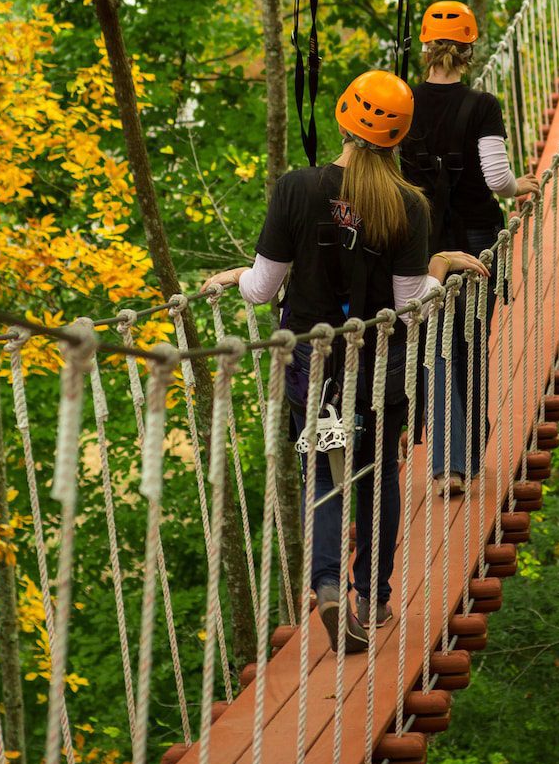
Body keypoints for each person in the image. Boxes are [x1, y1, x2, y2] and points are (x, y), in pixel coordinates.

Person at [203, 70, 486, 653]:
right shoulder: (410, 205)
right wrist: (438, 268)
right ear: (399, 139)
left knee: (323, 470)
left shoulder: (296, 188)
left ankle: (328, 584)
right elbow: (409, 313)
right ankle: (372, 596)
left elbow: (260, 290)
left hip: (312, 358)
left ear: (341, 118)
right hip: (380, 363)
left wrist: (238, 276)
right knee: (377, 474)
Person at [399, 2, 539, 497]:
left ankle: (446, 466)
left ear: (425, 48)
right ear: (468, 51)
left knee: (434, 350)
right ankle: (467, 457)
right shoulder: (482, 106)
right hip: (477, 241)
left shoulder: (404, 102)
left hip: (424, 244)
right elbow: (496, 178)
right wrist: (518, 185)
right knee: (470, 345)